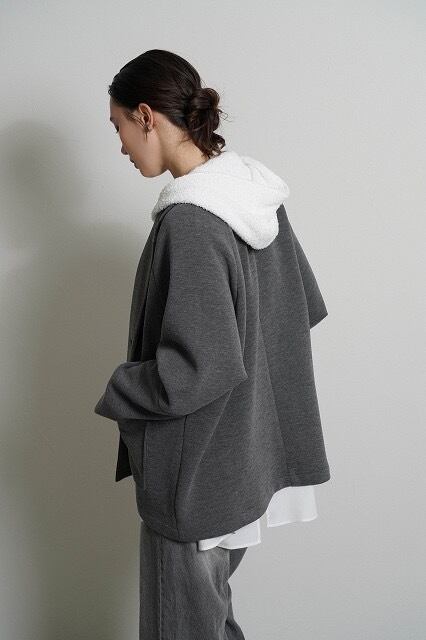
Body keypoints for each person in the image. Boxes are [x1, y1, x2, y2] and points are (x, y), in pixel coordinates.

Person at [94, 48, 331, 640]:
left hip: (196, 474)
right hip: (241, 466)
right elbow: (299, 309)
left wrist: (121, 387)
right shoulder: (252, 194)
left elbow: (198, 368)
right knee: (211, 623)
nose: (120, 145)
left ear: (146, 116)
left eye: (119, 126)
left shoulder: (192, 220)